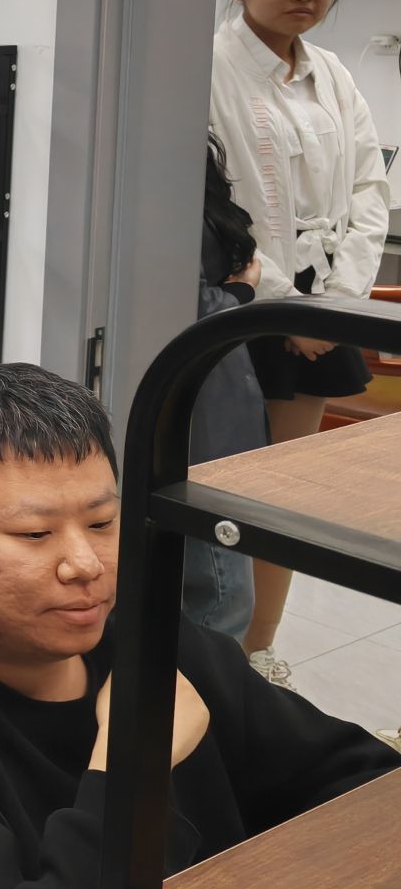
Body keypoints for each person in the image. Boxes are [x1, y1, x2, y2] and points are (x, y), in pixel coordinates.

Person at [0, 363, 400, 889]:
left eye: (103, 523)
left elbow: (354, 776)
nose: (86, 565)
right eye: (35, 534)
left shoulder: (139, 632)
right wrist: (130, 765)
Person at [210, 0, 393, 684]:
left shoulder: (333, 73)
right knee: (222, 487)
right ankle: (211, 648)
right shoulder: (209, 67)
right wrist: (286, 303)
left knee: (286, 496)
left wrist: (339, 302)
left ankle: (258, 651)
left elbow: (370, 187)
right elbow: (217, 207)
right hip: (243, 300)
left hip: (322, 305)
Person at [183, 138, 269, 637]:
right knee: (222, 597)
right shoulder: (167, 199)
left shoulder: (192, 183)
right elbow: (183, 303)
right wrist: (241, 292)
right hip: (200, 400)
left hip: (219, 384)